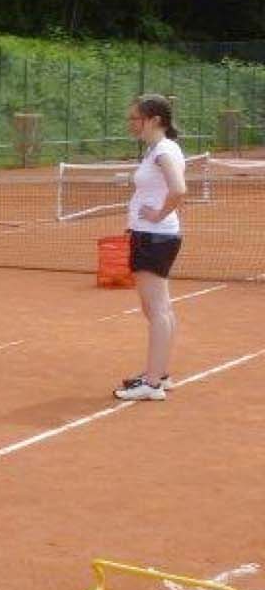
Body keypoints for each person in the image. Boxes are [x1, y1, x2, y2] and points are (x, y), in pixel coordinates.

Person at [115, 94, 187, 401]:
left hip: (154, 237)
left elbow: (178, 189)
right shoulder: (157, 150)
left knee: (156, 310)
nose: (131, 123)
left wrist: (157, 215)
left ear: (154, 120)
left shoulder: (162, 152)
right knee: (159, 309)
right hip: (154, 236)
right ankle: (159, 373)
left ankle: (153, 383)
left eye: (135, 118)